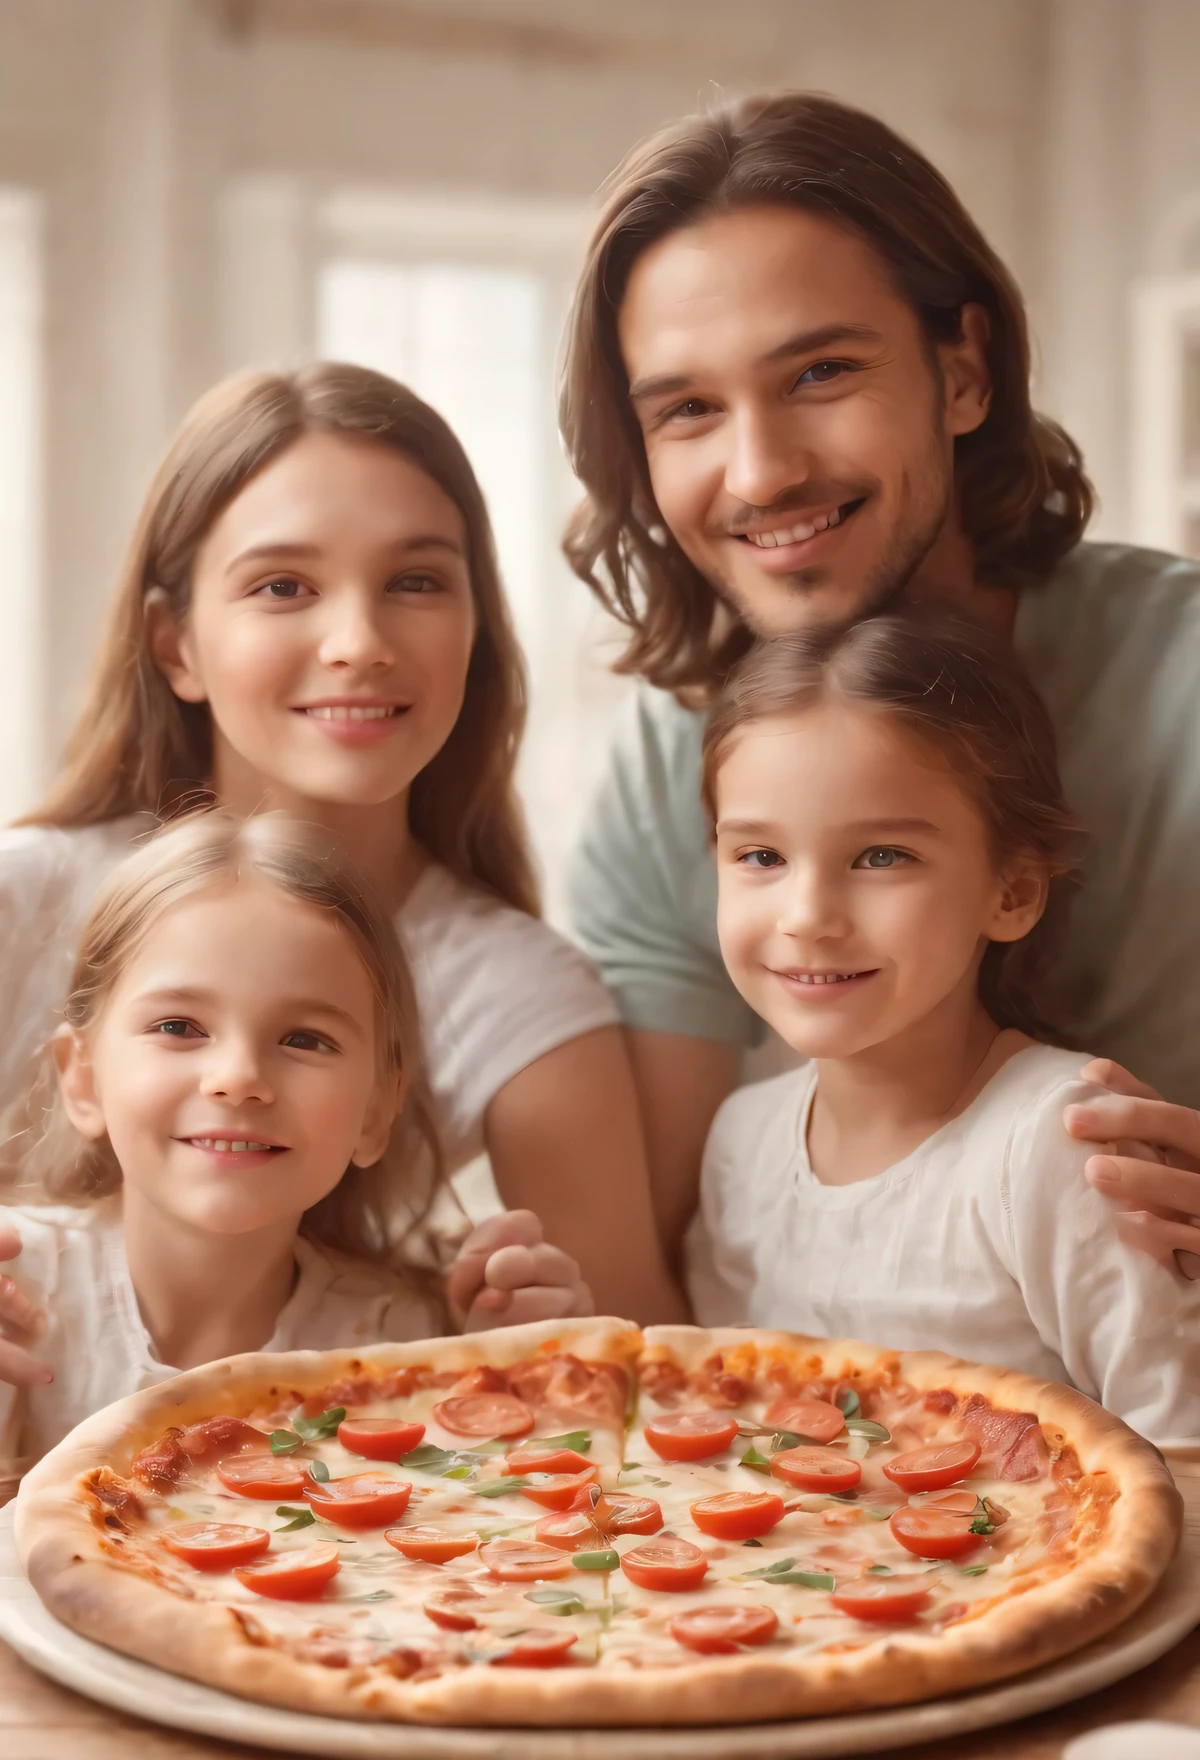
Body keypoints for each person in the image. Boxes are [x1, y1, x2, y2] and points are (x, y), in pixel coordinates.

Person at [561, 91, 1200, 1280]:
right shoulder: (670, 765)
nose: (761, 470)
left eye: (820, 373)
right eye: (690, 408)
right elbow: (643, 1272)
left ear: (963, 371)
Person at [0, 361, 682, 1323]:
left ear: (475, 629)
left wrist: (543, 1339)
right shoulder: (20, 902)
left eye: (415, 581)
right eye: (284, 585)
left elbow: (640, 1360)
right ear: (175, 645)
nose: (358, 640)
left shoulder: (523, 997)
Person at [688, 612, 1200, 1450]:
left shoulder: (1061, 1149)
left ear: (1013, 893)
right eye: (760, 857)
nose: (807, 916)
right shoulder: (740, 1144)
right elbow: (733, 1423)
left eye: (882, 856)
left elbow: (1182, 1458)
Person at [0, 813, 592, 1477]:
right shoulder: (13, 1286)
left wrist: (532, 1390)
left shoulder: (414, 1341)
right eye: (179, 1026)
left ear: (376, 1110)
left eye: (304, 1040)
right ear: (82, 1079)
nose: (239, 1079)